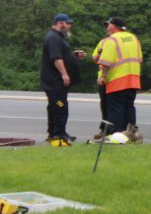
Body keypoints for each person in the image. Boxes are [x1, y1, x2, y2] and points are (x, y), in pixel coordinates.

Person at [40, 13, 84, 146]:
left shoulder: (58, 38)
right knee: (60, 106)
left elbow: (62, 56)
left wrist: (73, 56)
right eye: (67, 23)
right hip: (55, 82)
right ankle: (58, 134)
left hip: (56, 82)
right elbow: (56, 58)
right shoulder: (53, 38)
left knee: (56, 106)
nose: (69, 26)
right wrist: (64, 74)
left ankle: (55, 132)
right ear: (60, 23)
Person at [97, 17, 143, 135]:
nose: (107, 27)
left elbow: (106, 61)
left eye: (108, 25)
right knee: (129, 107)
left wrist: (103, 76)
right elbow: (140, 59)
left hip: (117, 80)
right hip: (133, 79)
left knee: (116, 108)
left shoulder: (112, 40)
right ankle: (131, 134)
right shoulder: (133, 38)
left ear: (114, 26)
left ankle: (116, 134)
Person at [91, 35, 112, 140]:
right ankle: (104, 130)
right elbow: (95, 59)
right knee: (104, 105)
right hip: (103, 80)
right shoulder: (103, 42)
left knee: (113, 106)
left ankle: (113, 131)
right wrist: (99, 54)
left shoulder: (118, 43)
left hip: (115, 78)